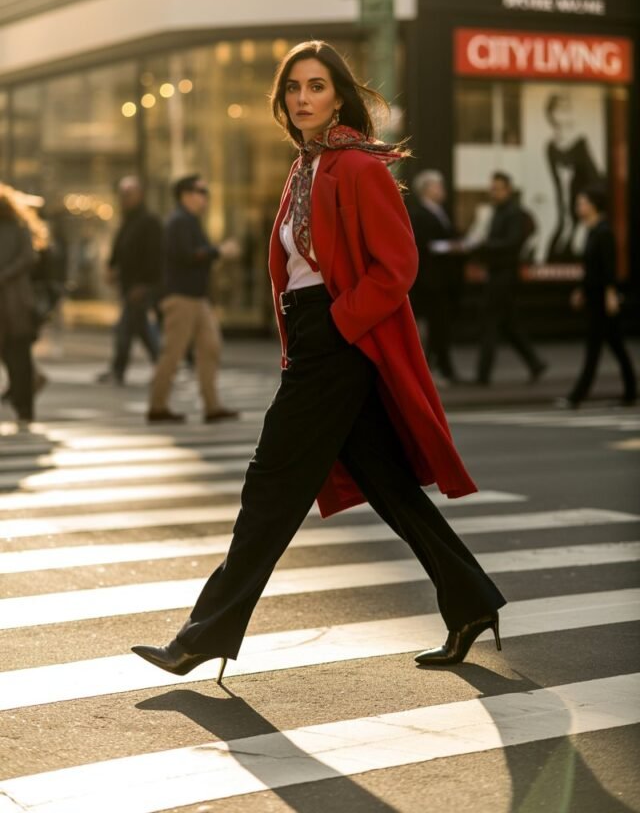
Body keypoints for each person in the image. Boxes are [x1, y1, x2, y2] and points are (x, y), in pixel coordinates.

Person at [133, 40, 506, 683]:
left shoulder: (356, 165)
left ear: (339, 95)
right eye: (293, 89)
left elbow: (398, 267)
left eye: (316, 87)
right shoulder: (306, 168)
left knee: (270, 484)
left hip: (338, 338)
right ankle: (471, 602)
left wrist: (338, 324)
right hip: (315, 337)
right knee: (389, 486)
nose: (302, 98)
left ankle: (205, 633)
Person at [147, 174, 241, 423]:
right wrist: (219, 251)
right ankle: (157, 407)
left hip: (197, 298)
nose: (205, 197)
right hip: (181, 298)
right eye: (201, 191)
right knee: (173, 353)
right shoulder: (178, 222)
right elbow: (187, 255)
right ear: (186, 195)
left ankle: (212, 406)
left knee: (210, 348)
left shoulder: (190, 221)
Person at [559, 184, 636, 409]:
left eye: (582, 202)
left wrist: (611, 295)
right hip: (594, 297)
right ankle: (631, 391)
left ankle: (577, 396)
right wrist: (581, 290)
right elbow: (591, 268)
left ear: (594, 206)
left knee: (595, 350)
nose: (578, 207)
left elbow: (608, 268)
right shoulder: (592, 231)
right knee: (617, 347)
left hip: (603, 300)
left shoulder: (604, 232)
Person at [472, 172, 547, 385]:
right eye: (492, 188)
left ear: (508, 190)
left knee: (490, 322)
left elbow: (512, 243)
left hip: (504, 276)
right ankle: (535, 363)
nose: (493, 192)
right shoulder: (499, 211)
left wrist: (484, 247)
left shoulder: (513, 213)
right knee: (508, 324)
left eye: (497, 188)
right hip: (498, 273)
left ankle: (482, 375)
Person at [98, 176, 163, 385]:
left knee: (126, 328)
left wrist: (144, 284)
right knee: (140, 327)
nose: (124, 199)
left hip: (140, 285)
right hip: (128, 284)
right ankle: (162, 366)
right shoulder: (128, 220)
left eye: (128, 195)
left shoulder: (149, 222)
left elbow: (155, 257)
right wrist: (111, 266)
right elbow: (119, 248)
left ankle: (121, 369)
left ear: (139, 195)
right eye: (122, 195)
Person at [407, 169, 462, 384]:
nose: (442, 190)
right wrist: (450, 246)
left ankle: (439, 369)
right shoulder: (418, 213)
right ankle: (436, 370)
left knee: (441, 326)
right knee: (434, 325)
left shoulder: (442, 211)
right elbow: (422, 244)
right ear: (426, 189)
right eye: (437, 186)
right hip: (429, 281)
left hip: (443, 280)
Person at [0, 184, 45, 427]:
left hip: (15, 302)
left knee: (18, 356)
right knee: (15, 356)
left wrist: (5, 274)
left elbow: (28, 257)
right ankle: (22, 404)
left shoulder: (17, 227)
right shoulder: (20, 226)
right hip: (15, 301)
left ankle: (24, 406)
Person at [544, 92, 601, 263]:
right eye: (557, 110)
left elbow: (597, 182)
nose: (562, 114)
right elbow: (557, 185)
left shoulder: (581, 142)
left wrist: (585, 221)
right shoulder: (550, 148)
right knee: (553, 255)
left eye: (565, 109)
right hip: (563, 215)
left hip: (583, 216)